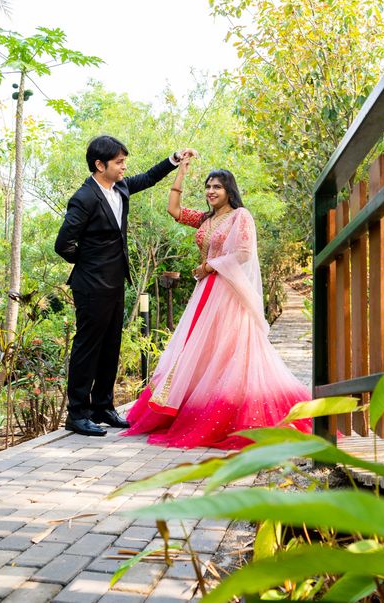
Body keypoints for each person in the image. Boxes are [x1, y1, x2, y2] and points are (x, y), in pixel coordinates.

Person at [123, 161, 311, 449]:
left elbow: (244, 253)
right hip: (206, 293)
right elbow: (174, 210)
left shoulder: (240, 216)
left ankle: (231, 413)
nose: (211, 191)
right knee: (201, 351)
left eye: (217, 187)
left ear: (229, 190)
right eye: (208, 187)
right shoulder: (205, 220)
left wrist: (209, 266)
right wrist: (182, 171)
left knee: (229, 349)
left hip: (228, 290)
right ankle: (195, 407)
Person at [54, 135, 198, 437]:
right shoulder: (83, 198)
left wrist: (173, 160)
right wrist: (91, 262)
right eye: (119, 162)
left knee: (110, 346)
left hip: (116, 282)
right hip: (91, 284)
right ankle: (77, 414)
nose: (124, 167)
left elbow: (147, 178)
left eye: (123, 161)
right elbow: (63, 244)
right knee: (87, 348)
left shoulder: (120, 187)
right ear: (99, 164)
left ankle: (103, 407)